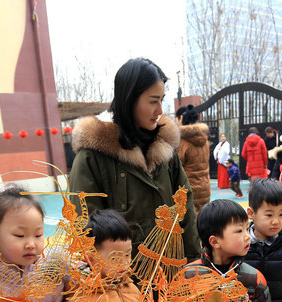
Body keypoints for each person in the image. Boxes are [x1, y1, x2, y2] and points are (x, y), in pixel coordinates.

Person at [68, 57, 200, 261]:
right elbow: (85, 225)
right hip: (121, 281)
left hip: (171, 273)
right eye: (153, 101)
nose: (160, 111)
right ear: (129, 99)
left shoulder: (165, 149)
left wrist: (193, 261)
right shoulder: (93, 156)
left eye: (162, 100)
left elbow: (186, 206)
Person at [175, 104, 211, 214]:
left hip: (189, 189)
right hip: (205, 187)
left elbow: (175, 168)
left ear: (180, 118)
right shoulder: (204, 140)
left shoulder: (182, 142)